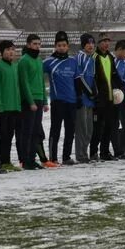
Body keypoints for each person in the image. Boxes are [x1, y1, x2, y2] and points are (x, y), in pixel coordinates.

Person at [43, 31, 77, 166]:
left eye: (64, 45)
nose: (61, 47)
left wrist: (78, 97)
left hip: (72, 101)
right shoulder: (48, 62)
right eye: (59, 45)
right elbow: (35, 73)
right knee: (55, 129)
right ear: (55, 46)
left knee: (70, 130)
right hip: (58, 101)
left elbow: (77, 81)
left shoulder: (73, 61)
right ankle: (53, 157)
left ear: (68, 46)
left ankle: (66, 157)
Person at [90, 33, 123, 161]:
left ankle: (105, 152)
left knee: (109, 126)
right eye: (103, 41)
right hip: (99, 99)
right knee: (98, 128)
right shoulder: (94, 57)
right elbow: (93, 78)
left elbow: (114, 75)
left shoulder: (110, 57)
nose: (106, 43)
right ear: (98, 43)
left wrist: (121, 86)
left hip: (110, 98)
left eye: (108, 41)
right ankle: (93, 153)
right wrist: (95, 96)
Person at [17, 34, 48, 170]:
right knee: (27, 131)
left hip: (39, 98)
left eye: (39, 44)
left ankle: (32, 158)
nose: (37, 46)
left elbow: (41, 81)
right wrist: (30, 101)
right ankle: (25, 160)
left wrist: (45, 100)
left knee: (36, 131)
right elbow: (24, 83)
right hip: (29, 101)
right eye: (34, 44)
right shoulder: (24, 60)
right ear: (28, 44)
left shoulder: (39, 60)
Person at [0, 40, 20, 172]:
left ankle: (7, 161)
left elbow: (17, 88)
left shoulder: (15, 66)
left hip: (14, 107)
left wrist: (18, 105)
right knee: (1, 136)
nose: (11, 52)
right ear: (2, 52)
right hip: (3, 109)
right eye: (8, 49)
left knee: (9, 136)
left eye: (13, 49)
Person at [74, 33, 96, 164]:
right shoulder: (80, 57)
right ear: (83, 45)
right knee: (81, 128)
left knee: (89, 128)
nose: (91, 45)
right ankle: (81, 155)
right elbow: (80, 78)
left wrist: (95, 93)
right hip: (82, 98)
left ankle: (84, 152)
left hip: (90, 100)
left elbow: (92, 79)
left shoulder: (91, 59)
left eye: (93, 43)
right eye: (88, 43)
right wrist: (89, 93)